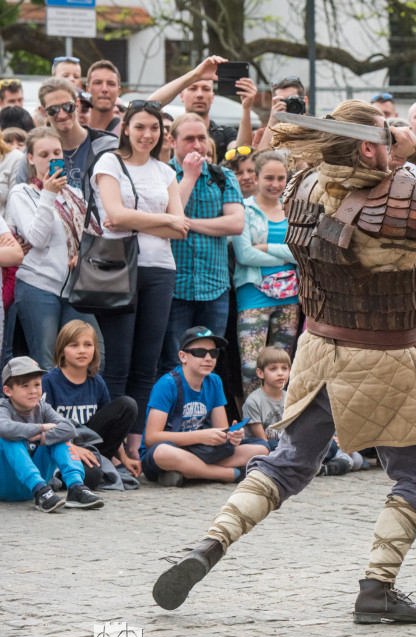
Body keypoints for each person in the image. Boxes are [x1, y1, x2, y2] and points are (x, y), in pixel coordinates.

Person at [152, 99, 416, 623]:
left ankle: (210, 542)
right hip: (384, 358)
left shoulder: (304, 184)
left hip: (316, 350)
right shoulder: (402, 195)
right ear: (364, 145)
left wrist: (381, 143)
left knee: (287, 462)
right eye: (380, 138)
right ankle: (377, 589)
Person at [91, 99, 189, 463]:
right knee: (118, 362)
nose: (148, 135)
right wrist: (158, 220)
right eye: (140, 127)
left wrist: (137, 220)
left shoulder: (165, 171)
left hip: (161, 269)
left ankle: (135, 446)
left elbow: (180, 227)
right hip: (118, 268)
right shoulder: (109, 162)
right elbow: (111, 216)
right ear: (126, 129)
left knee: (147, 363)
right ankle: (109, 448)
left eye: (155, 128)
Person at [4, 127, 104, 369]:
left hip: (76, 288)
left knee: (94, 360)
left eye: (57, 152)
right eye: (44, 154)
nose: (51, 158)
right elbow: (37, 238)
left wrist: (82, 254)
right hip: (38, 287)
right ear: (30, 158)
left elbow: (92, 236)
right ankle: (46, 408)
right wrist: (48, 195)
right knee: (46, 363)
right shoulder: (22, 193)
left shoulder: (75, 193)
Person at [159, 113, 245, 374]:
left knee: (209, 363)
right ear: (172, 141)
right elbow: (166, 219)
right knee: (174, 362)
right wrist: (189, 176)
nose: (197, 145)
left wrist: (188, 223)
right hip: (175, 288)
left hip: (214, 287)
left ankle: (206, 414)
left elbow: (235, 224)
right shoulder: (163, 175)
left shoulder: (223, 177)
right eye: (189, 139)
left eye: (201, 138)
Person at [141, 327, 268, 487]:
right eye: (200, 353)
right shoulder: (167, 384)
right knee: (163, 453)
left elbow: (221, 430)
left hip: (201, 451)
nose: (208, 358)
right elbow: (151, 439)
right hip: (169, 451)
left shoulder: (214, 381)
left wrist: (231, 436)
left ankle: (190, 472)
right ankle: (229, 475)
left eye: (213, 353)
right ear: (183, 356)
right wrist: (201, 436)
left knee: (261, 449)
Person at [231, 150, 300, 395]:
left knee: (282, 367)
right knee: (252, 367)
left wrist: (269, 247)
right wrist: (284, 259)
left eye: (281, 178)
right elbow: (245, 255)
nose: (275, 184)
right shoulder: (245, 209)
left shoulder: (293, 210)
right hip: (253, 294)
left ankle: (278, 425)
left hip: (290, 296)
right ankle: (254, 426)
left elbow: (302, 252)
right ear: (257, 177)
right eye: (269, 178)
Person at [0, 356, 103, 511]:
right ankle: (40, 489)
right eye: (25, 386)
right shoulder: (4, 409)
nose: (33, 391)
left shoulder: (42, 407)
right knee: (9, 437)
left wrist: (43, 437)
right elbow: (5, 428)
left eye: (37, 384)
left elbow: (69, 429)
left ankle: (76, 487)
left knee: (59, 437)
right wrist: (40, 427)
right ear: (8, 390)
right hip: (6, 484)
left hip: (35, 488)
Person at [42, 320, 139, 482]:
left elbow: (110, 424)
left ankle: (100, 461)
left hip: (90, 443)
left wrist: (124, 458)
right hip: (60, 446)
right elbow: (42, 429)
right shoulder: (49, 381)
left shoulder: (97, 381)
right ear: (61, 351)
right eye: (74, 345)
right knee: (92, 476)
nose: (82, 351)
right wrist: (70, 448)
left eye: (88, 345)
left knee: (128, 405)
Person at [14, 78, 117, 197]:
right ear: (42, 112)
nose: (62, 115)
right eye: (53, 110)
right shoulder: (33, 154)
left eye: (68, 107)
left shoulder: (107, 146)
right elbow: (21, 199)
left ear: (77, 105)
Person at [241, 345, 289, 449]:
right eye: (273, 369)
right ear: (261, 373)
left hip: (287, 445)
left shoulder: (291, 398)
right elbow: (263, 442)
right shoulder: (253, 402)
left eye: (284, 368)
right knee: (271, 446)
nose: (280, 373)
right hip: (266, 448)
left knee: (330, 446)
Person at [84, 60, 122, 135]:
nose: (104, 89)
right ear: (87, 88)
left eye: (111, 84)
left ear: (118, 91)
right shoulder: (74, 129)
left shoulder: (127, 132)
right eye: (98, 83)